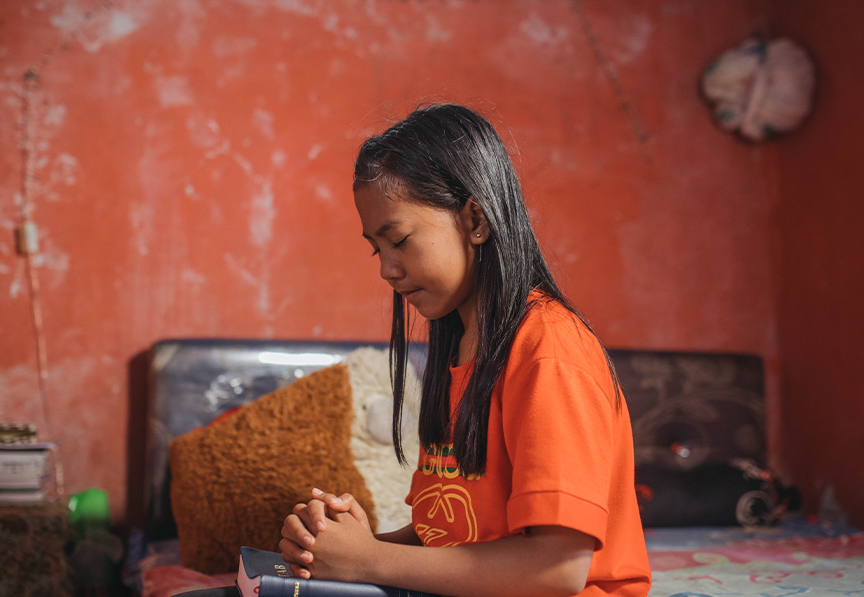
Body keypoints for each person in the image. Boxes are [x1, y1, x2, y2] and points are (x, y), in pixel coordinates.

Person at [279, 103, 651, 597]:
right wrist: (341, 548)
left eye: (400, 240)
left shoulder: (548, 350)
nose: (386, 270)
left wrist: (370, 561)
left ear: (475, 220)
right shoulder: (458, 345)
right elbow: (453, 535)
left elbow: (558, 571)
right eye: (376, 248)